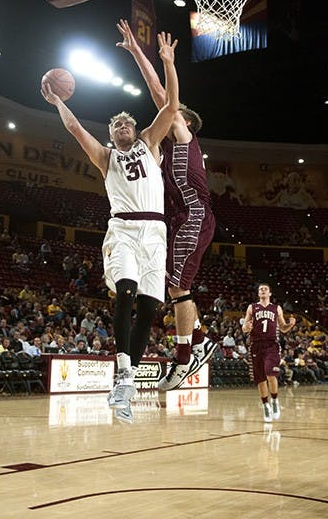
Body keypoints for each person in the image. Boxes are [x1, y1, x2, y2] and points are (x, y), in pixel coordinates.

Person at [41, 31, 179, 423]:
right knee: (126, 293)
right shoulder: (105, 158)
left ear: (134, 131)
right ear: (111, 133)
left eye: (126, 123)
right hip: (123, 230)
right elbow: (73, 130)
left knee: (150, 309)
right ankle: (122, 370)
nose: (121, 126)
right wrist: (57, 102)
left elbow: (170, 106)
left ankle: (126, 383)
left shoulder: (151, 144)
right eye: (115, 124)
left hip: (156, 233)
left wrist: (166, 61)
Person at [116, 19, 217, 391]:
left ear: (185, 121)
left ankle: (183, 360)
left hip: (194, 213)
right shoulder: (160, 144)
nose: (168, 114)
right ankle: (200, 340)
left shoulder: (184, 134)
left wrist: (146, 56)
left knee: (176, 287)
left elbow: (161, 94)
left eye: (176, 112)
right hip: (176, 218)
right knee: (173, 285)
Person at [242, 283, 296, 422]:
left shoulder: (276, 308)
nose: (263, 290)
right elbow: (244, 327)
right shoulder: (252, 307)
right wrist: (246, 327)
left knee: (270, 373)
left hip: (271, 344)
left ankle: (275, 401)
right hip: (256, 345)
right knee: (260, 379)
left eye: (265, 289)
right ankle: (265, 405)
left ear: (270, 293)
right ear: (258, 293)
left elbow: (283, 328)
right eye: (260, 289)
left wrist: (290, 325)